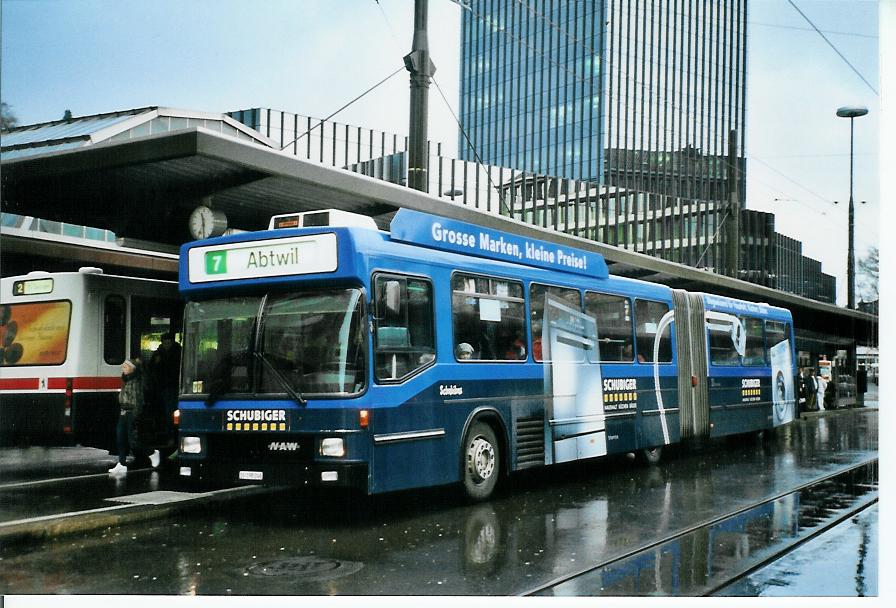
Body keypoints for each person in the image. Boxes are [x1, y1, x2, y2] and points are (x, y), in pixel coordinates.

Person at [109, 359, 160, 475]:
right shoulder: (126, 380)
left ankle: (152, 452)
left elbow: (138, 399)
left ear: (132, 369)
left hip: (132, 412)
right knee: (120, 437)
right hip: (123, 410)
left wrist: (136, 414)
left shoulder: (137, 380)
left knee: (133, 441)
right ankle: (121, 464)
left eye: (125, 366)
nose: (123, 368)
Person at [149, 332, 182, 420]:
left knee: (172, 406)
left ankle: (172, 425)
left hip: (175, 383)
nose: (167, 345)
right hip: (162, 384)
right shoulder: (158, 353)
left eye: (168, 343)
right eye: (165, 343)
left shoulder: (178, 352)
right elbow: (151, 367)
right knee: (166, 406)